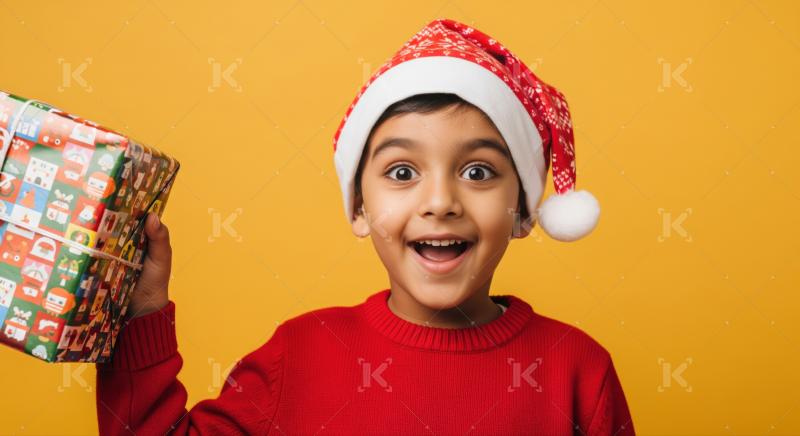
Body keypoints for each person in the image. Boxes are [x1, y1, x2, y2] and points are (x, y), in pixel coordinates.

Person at [96, 18, 634, 435]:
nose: (440, 202)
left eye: (477, 172)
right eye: (402, 172)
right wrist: (141, 314)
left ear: (523, 210)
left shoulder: (577, 371)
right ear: (357, 207)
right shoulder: (299, 354)